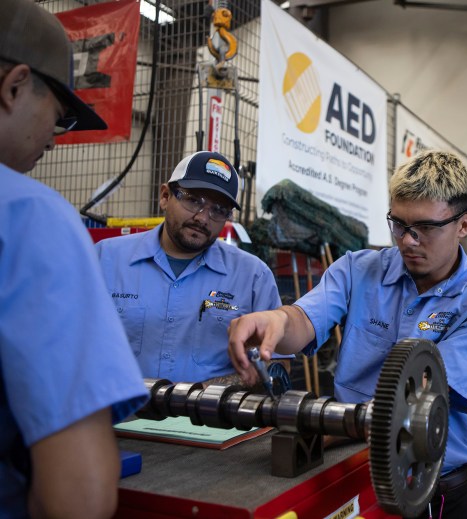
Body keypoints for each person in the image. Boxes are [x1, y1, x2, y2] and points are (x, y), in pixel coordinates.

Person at [228, 150, 467, 518]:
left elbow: (414, 400)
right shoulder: (356, 269)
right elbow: (303, 321)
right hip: (355, 473)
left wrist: (323, 429)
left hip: (436, 492)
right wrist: (277, 321)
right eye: (398, 224)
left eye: (425, 228)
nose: (408, 241)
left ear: (464, 224)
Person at [0, 0, 149, 516]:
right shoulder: (29, 218)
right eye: (59, 117)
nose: (56, 140)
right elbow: (79, 495)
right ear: (14, 86)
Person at [96, 151, 286, 385]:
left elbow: (278, 365)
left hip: (209, 420)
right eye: (193, 200)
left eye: (219, 210)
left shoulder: (253, 277)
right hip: (116, 416)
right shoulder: (105, 259)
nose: (203, 218)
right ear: (165, 196)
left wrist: (209, 393)